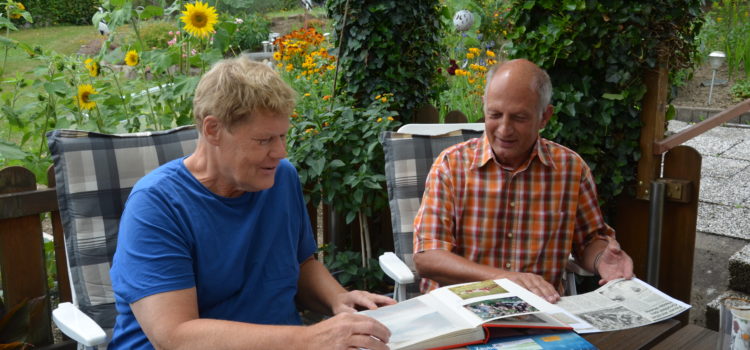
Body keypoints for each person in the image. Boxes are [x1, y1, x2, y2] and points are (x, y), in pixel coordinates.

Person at [109, 57, 394, 350]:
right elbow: (176, 336)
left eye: (283, 136)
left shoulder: (280, 178)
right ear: (213, 130)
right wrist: (311, 339)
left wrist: (337, 299)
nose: (280, 152)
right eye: (264, 140)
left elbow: (300, 263)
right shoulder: (157, 205)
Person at [413, 59, 634, 304]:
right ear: (484, 107)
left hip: (539, 311)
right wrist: (505, 280)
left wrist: (602, 258)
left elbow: (589, 241)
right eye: (495, 115)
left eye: (519, 118)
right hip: (461, 310)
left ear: (544, 117)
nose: (504, 129)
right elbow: (428, 257)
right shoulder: (451, 166)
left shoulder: (571, 169)